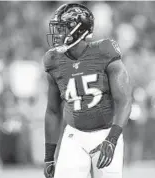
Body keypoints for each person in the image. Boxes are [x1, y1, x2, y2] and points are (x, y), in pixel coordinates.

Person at [43, 3, 132, 178]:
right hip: (74, 136)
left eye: (62, 29)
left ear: (78, 30)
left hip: (105, 133)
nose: (57, 34)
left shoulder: (104, 51)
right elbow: (53, 111)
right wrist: (48, 156)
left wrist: (112, 138)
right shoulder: (52, 60)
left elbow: (124, 101)